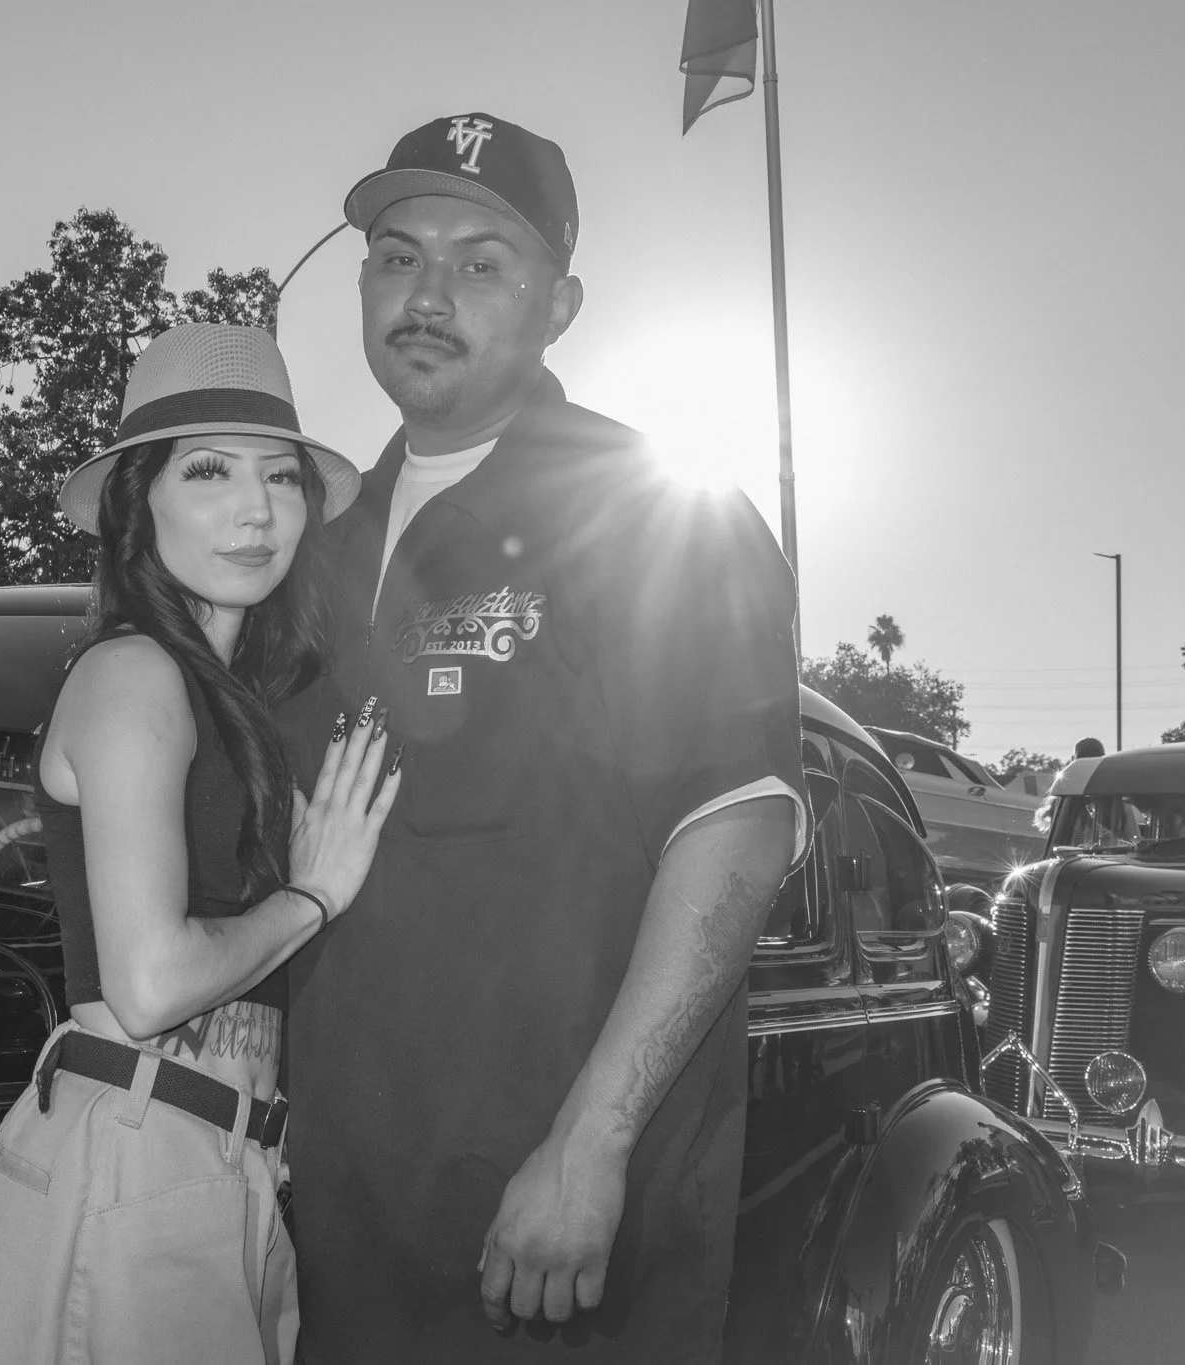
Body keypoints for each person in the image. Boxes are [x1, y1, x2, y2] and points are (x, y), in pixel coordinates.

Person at [277, 114, 807, 1362]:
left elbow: (734, 826)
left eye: (480, 264)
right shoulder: (313, 542)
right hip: (340, 1208)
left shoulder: (652, 514)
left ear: (558, 306)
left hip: (552, 1220)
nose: (426, 295)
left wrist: (590, 1142)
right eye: (397, 257)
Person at [0, 322, 394, 1365]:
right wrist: (313, 896)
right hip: (133, 1162)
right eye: (207, 471)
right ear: (134, 505)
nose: (256, 509)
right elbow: (148, 985)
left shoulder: (228, 698)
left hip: (222, 1166)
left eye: (279, 475)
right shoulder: (133, 673)